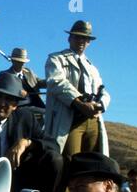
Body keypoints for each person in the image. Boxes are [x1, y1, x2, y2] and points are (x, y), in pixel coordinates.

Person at [45, 21, 111, 160]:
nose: (81, 41)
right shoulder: (56, 59)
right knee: (71, 159)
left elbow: (102, 90)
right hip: (69, 118)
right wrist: (79, 103)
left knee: (91, 161)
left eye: (85, 38)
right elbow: (56, 82)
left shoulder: (92, 67)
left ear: (89, 42)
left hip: (92, 120)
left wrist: (101, 105)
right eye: (77, 37)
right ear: (69, 38)